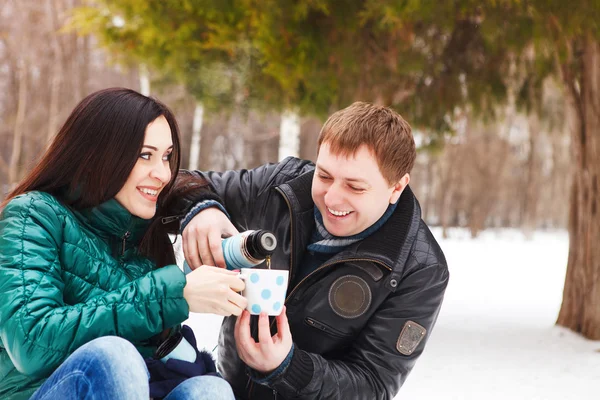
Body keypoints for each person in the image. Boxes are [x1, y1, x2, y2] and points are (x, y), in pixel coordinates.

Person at [180, 101, 450, 399]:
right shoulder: (284, 184)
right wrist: (202, 206)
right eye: (324, 176)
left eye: (355, 187)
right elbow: (174, 184)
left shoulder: (421, 268)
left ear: (396, 188)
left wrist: (288, 367)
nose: (331, 198)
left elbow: (373, 384)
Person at [0, 88, 247, 400]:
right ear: (100, 155)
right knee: (113, 356)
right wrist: (172, 294)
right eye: (146, 155)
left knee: (210, 391)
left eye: (167, 157)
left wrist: (203, 207)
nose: (162, 174)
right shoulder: (33, 214)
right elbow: (31, 342)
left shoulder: (145, 233)